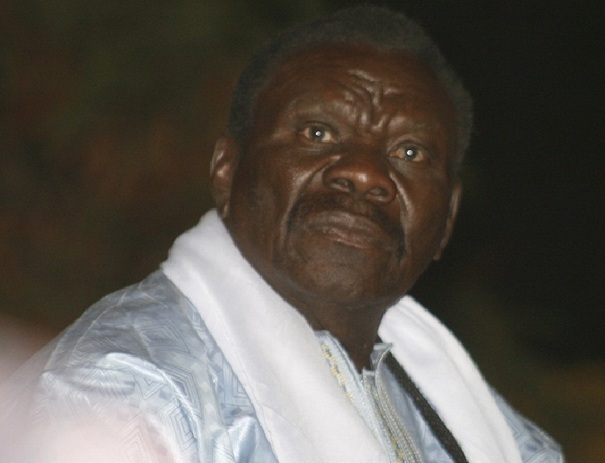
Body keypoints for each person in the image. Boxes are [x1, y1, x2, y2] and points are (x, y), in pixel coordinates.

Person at [0, 5, 563, 463]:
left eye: (410, 153)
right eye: (317, 133)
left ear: (446, 220)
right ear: (227, 171)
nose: (365, 173)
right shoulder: (123, 395)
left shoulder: (476, 423)